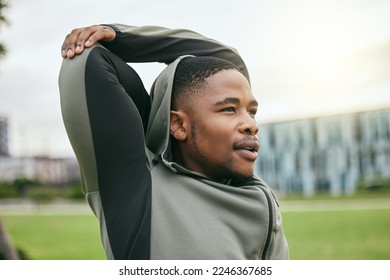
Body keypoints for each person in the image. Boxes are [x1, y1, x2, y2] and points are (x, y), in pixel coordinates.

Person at [59, 24, 289, 260]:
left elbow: (226, 61)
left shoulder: (254, 194)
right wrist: (120, 38)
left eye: (251, 111)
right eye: (229, 109)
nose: (251, 125)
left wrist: (126, 36)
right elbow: (83, 58)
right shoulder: (136, 187)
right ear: (178, 125)